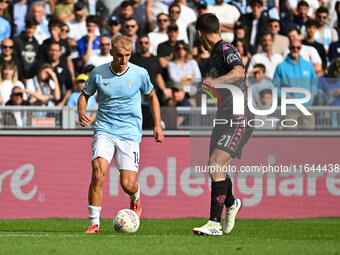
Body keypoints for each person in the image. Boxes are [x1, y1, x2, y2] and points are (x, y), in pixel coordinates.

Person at [78, 35, 164, 234]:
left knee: (127, 184)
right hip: (105, 129)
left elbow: (152, 96)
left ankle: (135, 198)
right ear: (111, 53)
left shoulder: (140, 73)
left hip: (129, 132)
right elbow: (84, 95)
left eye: (127, 55)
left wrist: (158, 125)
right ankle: (94, 223)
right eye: (119, 55)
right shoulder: (98, 73)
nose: (123, 60)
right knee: (98, 173)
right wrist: (81, 111)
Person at [193, 13, 253, 236]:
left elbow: (239, 71)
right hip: (224, 118)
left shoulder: (225, 49)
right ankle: (232, 203)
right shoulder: (215, 54)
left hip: (238, 118)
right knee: (216, 169)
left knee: (215, 165)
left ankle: (214, 223)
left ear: (199, 33)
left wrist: (215, 82)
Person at [130, 35, 172, 105]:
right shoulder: (132, 59)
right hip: (136, 93)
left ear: (149, 44)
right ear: (137, 44)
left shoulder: (155, 59)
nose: (143, 45)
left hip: (152, 92)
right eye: (141, 43)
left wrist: (164, 89)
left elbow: (158, 76)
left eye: (146, 43)